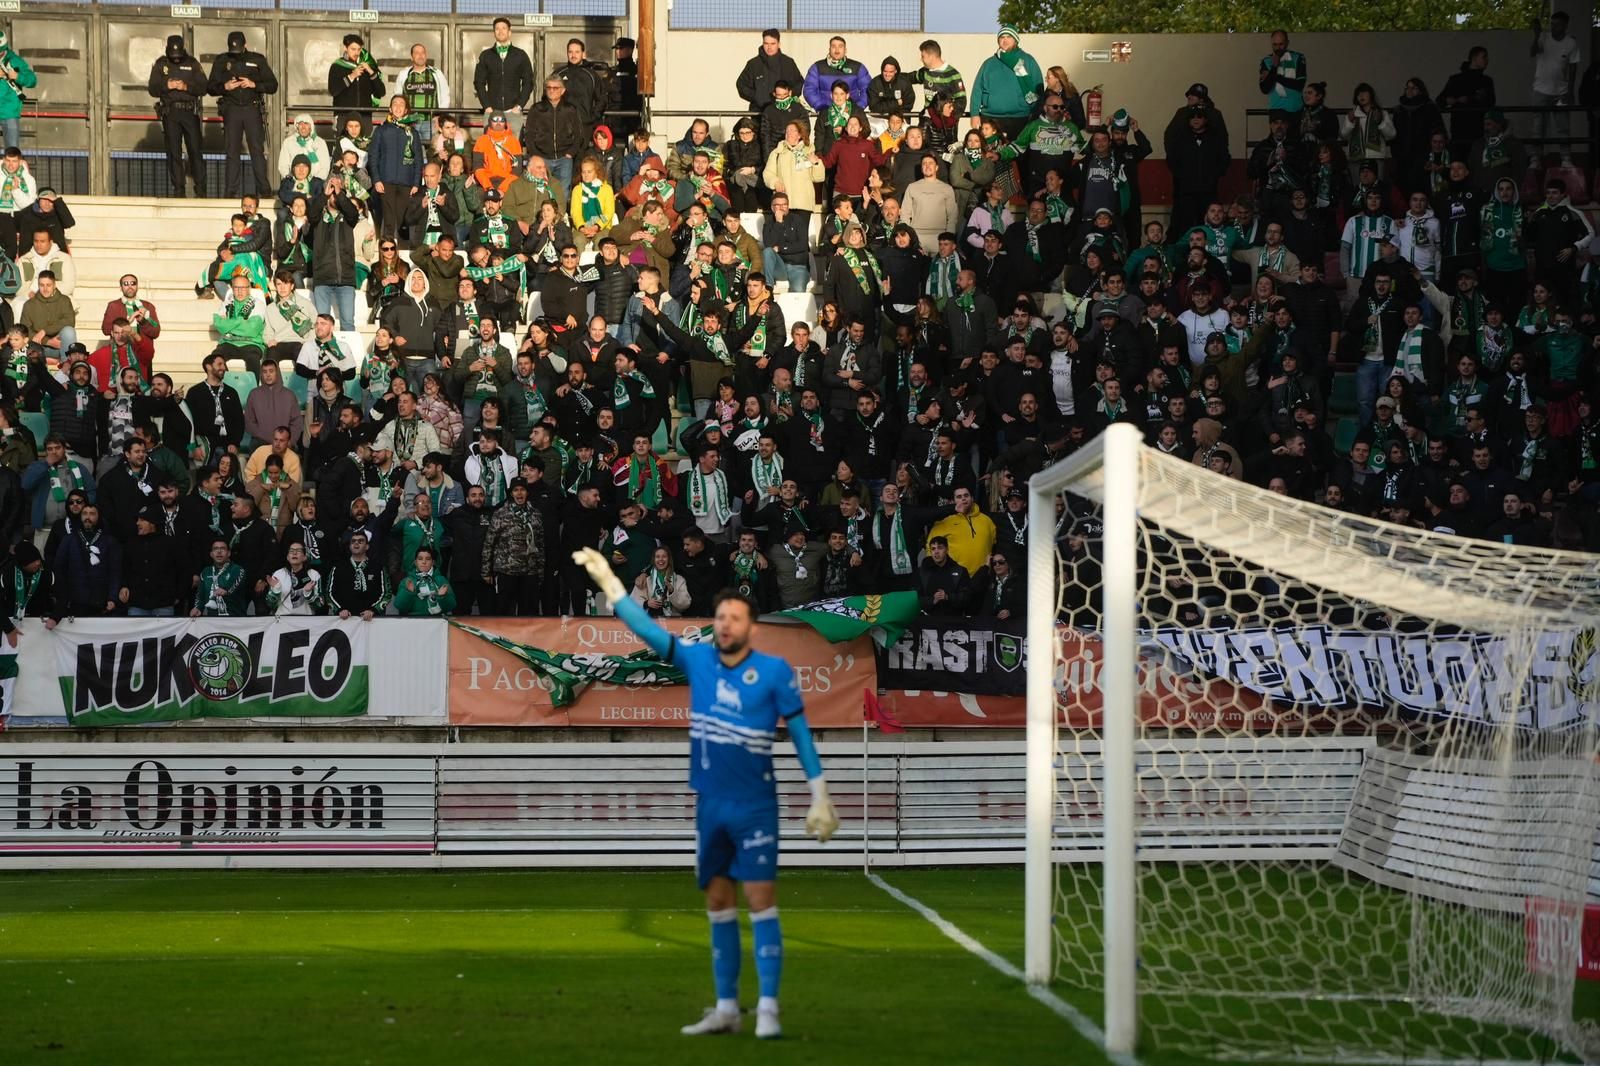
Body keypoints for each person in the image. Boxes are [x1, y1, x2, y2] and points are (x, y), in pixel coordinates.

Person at [574, 547, 838, 1039]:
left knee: (761, 900)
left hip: (756, 806)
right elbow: (651, 634)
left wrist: (819, 792)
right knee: (718, 902)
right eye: (720, 617)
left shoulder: (776, 672)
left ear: (751, 627)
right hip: (710, 805)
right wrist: (612, 585)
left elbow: (800, 732)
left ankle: (769, 1009)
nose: (726, 625)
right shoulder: (697, 661)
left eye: (735, 618)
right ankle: (726, 1008)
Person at [209, 31, 277, 198]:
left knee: (257, 150)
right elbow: (210, 87)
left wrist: (254, 84)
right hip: (231, 109)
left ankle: (264, 190)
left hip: (252, 109)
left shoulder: (257, 59)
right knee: (232, 151)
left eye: (238, 49)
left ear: (245, 45)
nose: (236, 53)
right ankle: (230, 191)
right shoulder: (222, 60)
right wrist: (225, 87)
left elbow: (273, 85)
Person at [149, 35, 207, 198]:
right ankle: (178, 189)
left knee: (195, 150)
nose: (176, 59)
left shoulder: (192, 63)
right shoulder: (161, 64)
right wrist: (166, 86)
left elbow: (204, 87)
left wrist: (186, 86)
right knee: (174, 152)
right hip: (170, 113)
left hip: (190, 112)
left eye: (178, 56)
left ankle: (201, 188)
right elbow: (152, 89)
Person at [969, 26, 1041, 140]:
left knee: (1020, 155)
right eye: (1002, 37)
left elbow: (1039, 88)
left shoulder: (1028, 61)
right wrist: (974, 114)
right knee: (990, 156)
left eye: (1009, 37)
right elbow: (977, 90)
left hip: (1021, 118)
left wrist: (1036, 114)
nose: (1005, 40)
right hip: (991, 118)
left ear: (1016, 40)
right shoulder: (988, 64)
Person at [1531, 12, 1582, 165]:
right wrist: (1536, 35)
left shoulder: (1570, 43)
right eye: (1552, 24)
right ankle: (1536, 158)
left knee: (1563, 127)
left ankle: (1565, 158)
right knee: (1538, 127)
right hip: (1540, 90)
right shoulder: (1543, 38)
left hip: (1560, 92)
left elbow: (1573, 67)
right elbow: (1532, 52)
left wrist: (1570, 91)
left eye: (1557, 24)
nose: (1554, 27)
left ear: (1565, 26)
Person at [474, 17, 535, 116]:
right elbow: (479, 82)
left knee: (515, 132)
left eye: (504, 28)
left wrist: (519, 106)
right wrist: (487, 106)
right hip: (492, 112)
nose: (500, 31)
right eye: (497, 29)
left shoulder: (520, 55)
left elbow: (528, 82)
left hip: (514, 112)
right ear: (494, 33)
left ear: (509, 32)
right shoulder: (486, 55)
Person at [391, 43, 450, 144]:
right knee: (411, 150)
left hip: (431, 121)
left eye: (423, 53)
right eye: (417, 53)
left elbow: (445, 95)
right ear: (411, 57)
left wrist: (439, 116)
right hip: (410, 121)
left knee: (432, 150)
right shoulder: (404, 74)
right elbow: (397, 96)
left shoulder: (436, 73)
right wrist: (402, 118)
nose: (420, 55)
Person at [737, 30, 804, 114]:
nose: (769, 47)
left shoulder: (788, 63)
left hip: (785, 113)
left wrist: (787, 97)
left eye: (773, 43)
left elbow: (800, 83)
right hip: (759, 114)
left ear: (779, 44)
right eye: (766, 43)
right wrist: (757, 96)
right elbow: (741, 85)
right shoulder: (753, 64)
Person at [551, 38, 607, 136]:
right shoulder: (558, 74)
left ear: (583, 54)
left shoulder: (591, 75)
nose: (573, 55)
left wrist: (592, 118)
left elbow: (602, 99)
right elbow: (547, 96)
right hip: (561, 126)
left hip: (585, 126)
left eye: (577, 52)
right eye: (570, 52)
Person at [802, 36, 869, 112]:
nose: (837, 50)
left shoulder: (858, 67)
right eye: (833, 46)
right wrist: (821, 107)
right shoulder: (817, 67)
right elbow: (809, 90)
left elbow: (868, 89)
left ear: (845, 50)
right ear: (829, 49)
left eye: (840, 46)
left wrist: (857, 108)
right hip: (826, 114)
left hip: (851, 114)